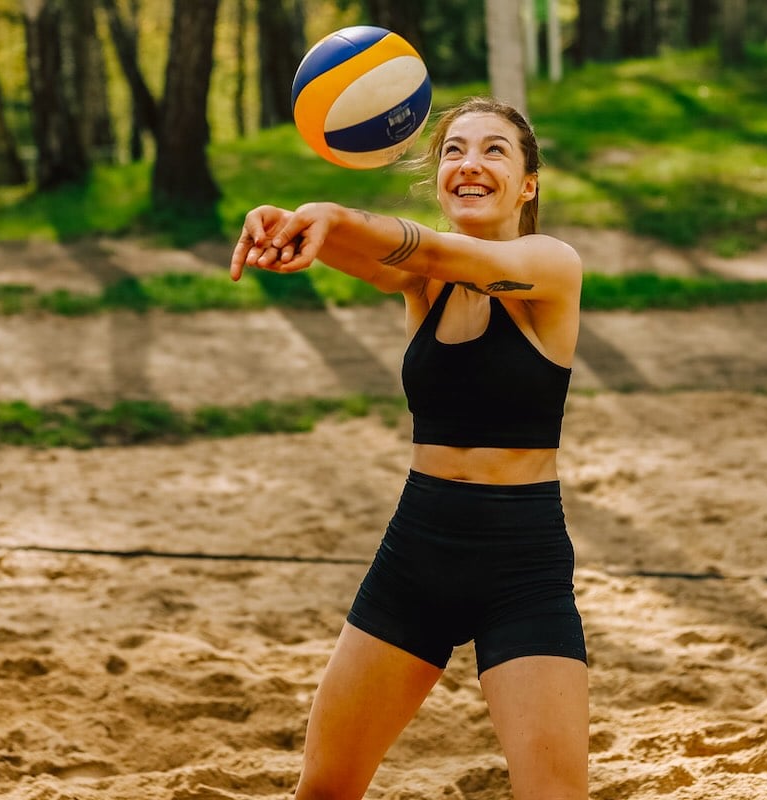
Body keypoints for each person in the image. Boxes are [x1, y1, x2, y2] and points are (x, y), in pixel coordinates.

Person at [229, 96, 587, 800]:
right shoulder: (423, 283)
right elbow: (378, 254)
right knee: (325, 789)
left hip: (523, 564)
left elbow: (430, 246)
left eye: (493, 150)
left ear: (529, 183)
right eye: (453, 150)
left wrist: (332, 212)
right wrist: (290, 222)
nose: (469, 164)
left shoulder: (549, 266)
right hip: (418, 552)